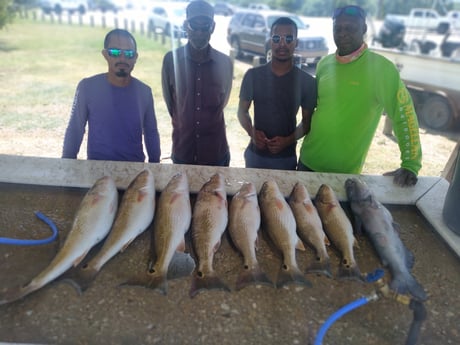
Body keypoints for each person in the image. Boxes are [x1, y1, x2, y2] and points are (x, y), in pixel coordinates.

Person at [297, 5, 422, 187]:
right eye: (338, 28)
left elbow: (404, 114)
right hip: (307, 161)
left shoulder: (381, 69)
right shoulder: (324, 63)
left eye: (350, 28)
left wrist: (411, 164)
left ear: (363, 29)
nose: (343, 33)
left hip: (343, 173)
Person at [62, 28, 161, 163]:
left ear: (135, 57)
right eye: (114, 52)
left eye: (129, 53)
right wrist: (66, 164)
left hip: (135, 169)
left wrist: (155, 165)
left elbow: (151, 133)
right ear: (105, 54)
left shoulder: (144, 92)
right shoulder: (87, 87)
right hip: (97, 168)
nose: (122, 58)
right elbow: (75, 129)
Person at [237, 17, 317, 170]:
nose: (282, 44)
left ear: (296, 42)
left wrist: (287, 141)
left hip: (285, 159)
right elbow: (242, 111)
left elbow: (307, 123)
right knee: (251, 194)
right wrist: (251, 132)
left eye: (288, 38)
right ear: (270, 41)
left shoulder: (307, 82)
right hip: (255, 156)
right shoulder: (253, 75)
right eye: (276, 38)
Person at [161, 0, 233, 166]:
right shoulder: (171, 61)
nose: (199, 32)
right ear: (186, 26)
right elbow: (171, 104)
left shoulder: (225, 63)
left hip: (215, 151)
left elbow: (223, 102)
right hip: (183, 150)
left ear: (213, 27)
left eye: (205, 26)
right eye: (194, 26)